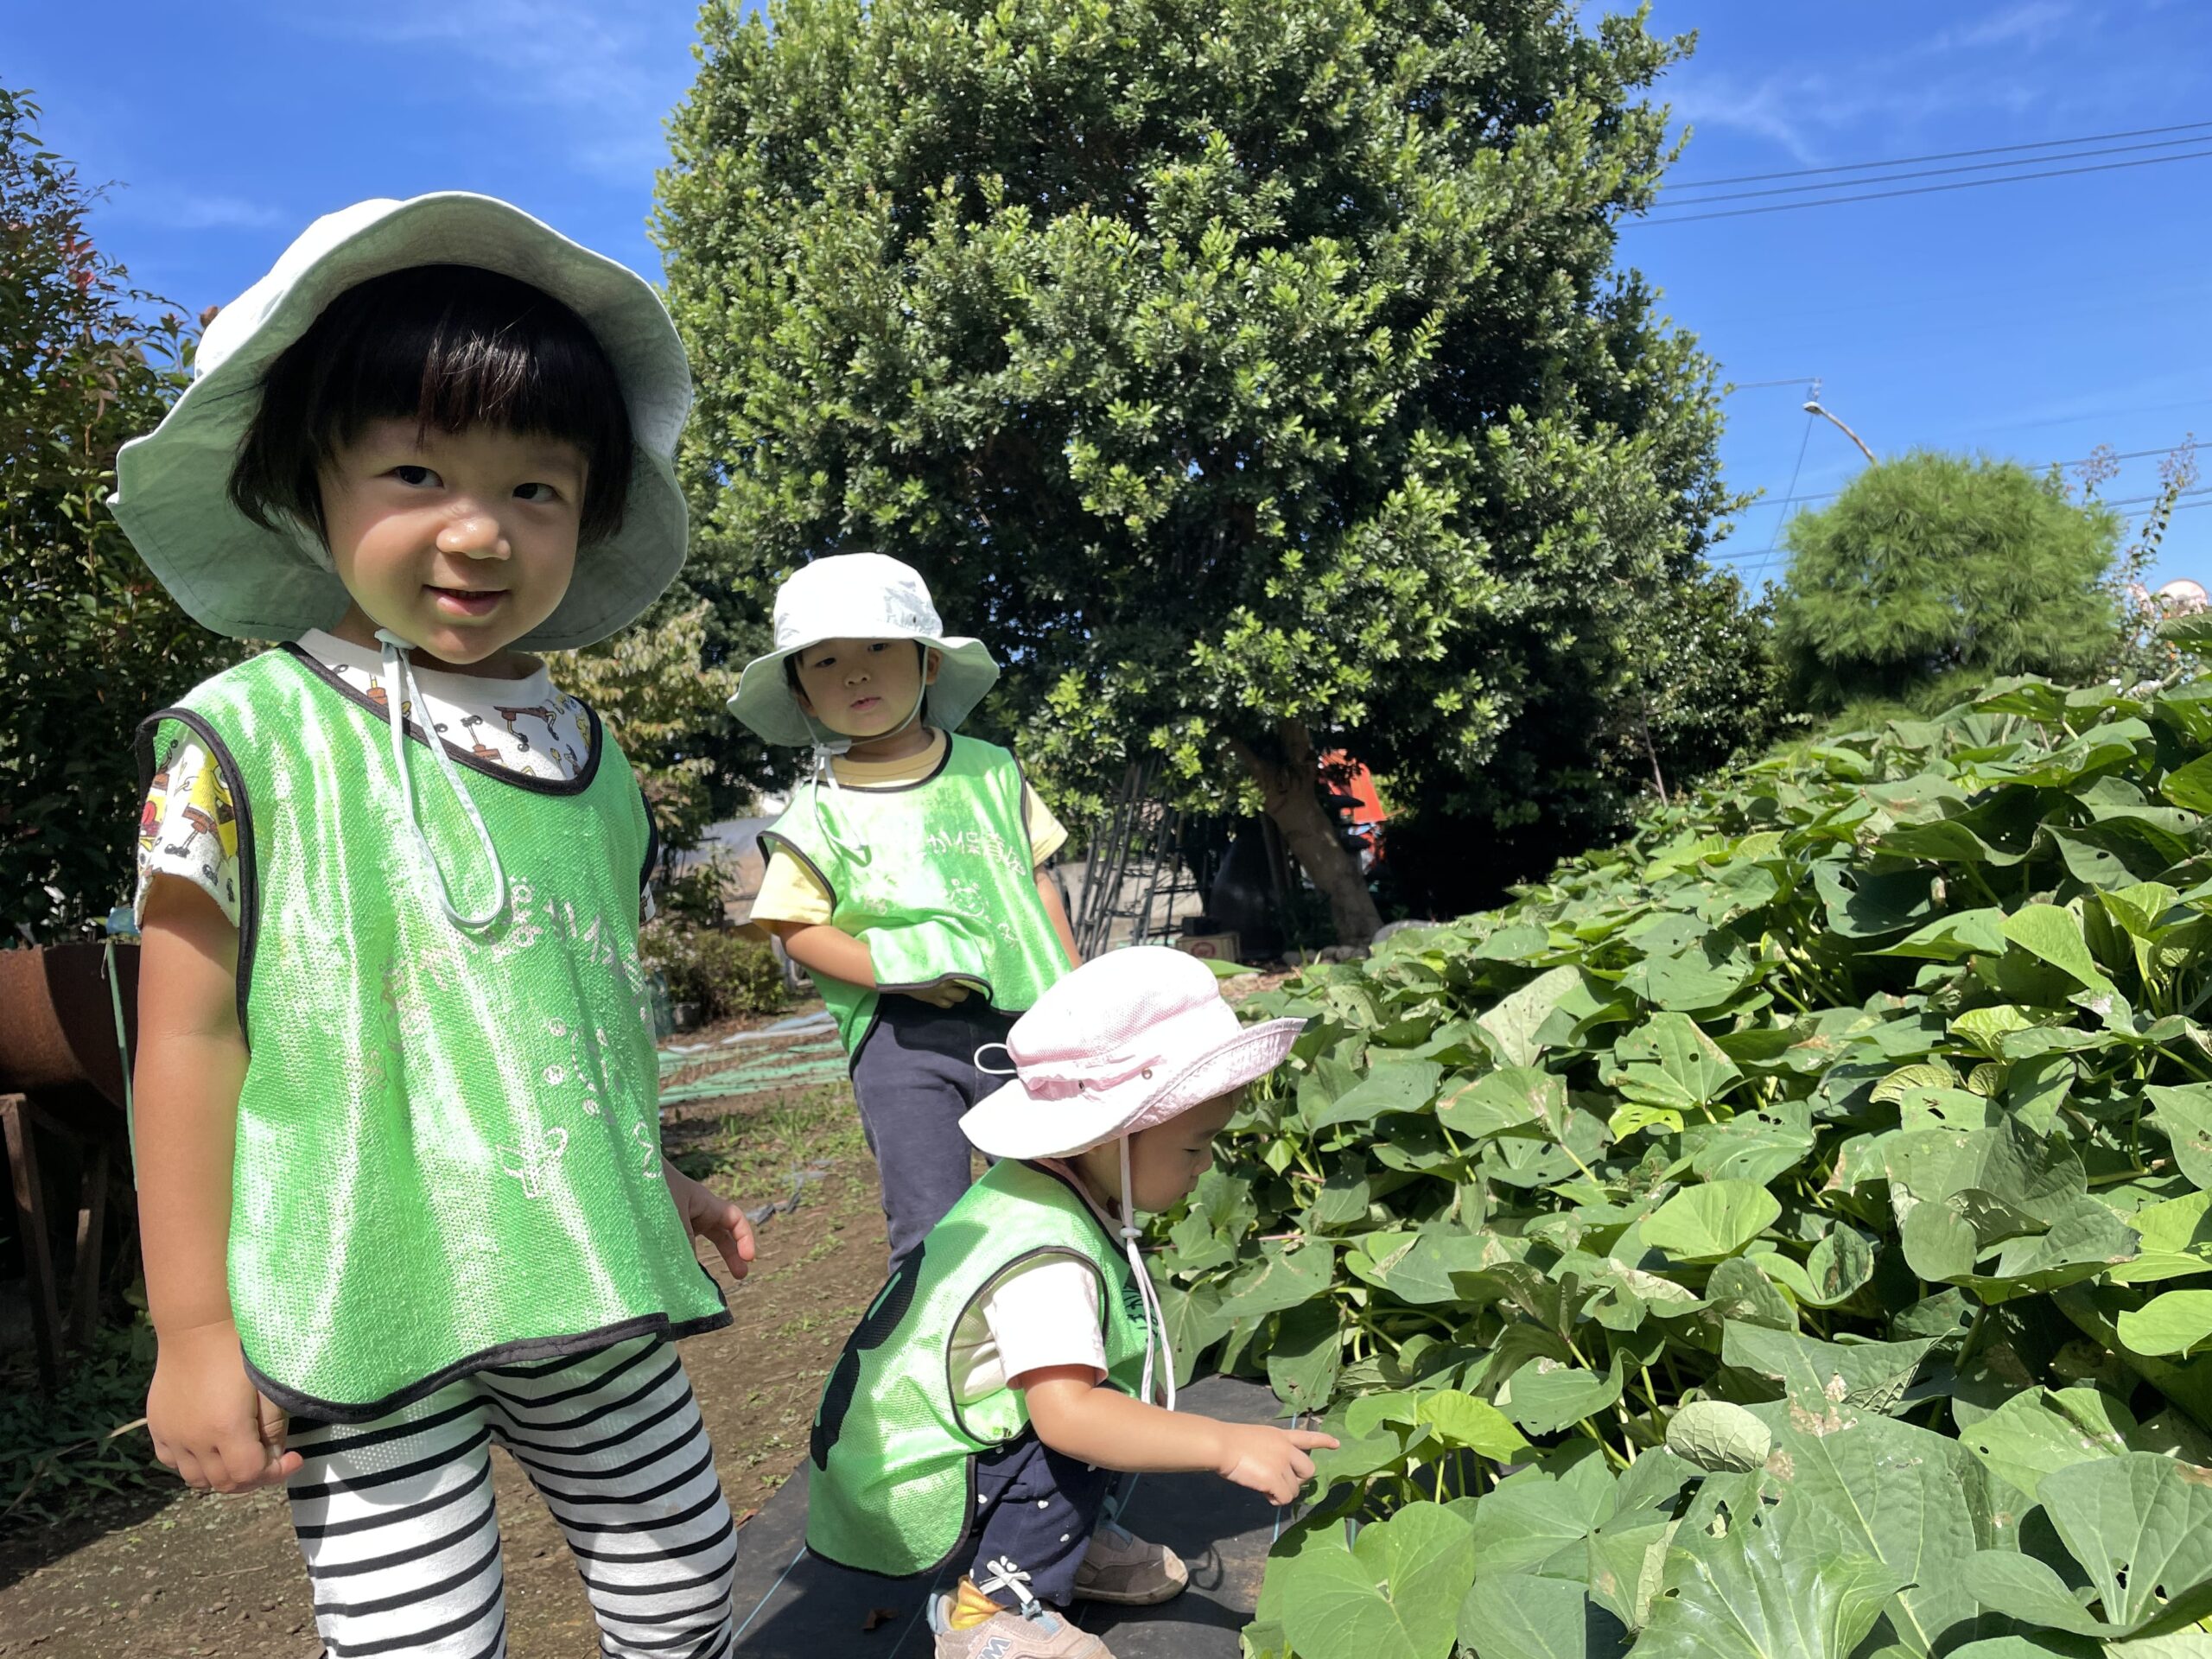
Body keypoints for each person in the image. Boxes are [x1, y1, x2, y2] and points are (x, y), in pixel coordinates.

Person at [118, 194, 757, 1659]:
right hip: (361, 1286)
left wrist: (653, 1170)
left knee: (686, 1581)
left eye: (538, 488)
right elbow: (186, 1036)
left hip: (581, 1258)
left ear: (589, 513)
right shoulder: (243, 739)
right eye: (416, 469)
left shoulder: (585, 756)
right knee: (417, 1641)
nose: (479, 530)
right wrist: (196, 1332)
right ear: (306, 484)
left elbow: (568, 1007)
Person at [804, 947, 1339, 1659]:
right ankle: (984, 1609)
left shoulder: (1047, 1187)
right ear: (1115, 1135)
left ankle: (1059, 1550)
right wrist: (1224, 1443)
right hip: (911, 1489)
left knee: (1102, 1400)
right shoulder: (1047, 1253)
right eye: (1195, 1146)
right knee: (1084, 1428)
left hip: (929, 1446)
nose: (1207, 1164)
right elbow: (1068, 1418)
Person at [730, 553, 1082, 1264]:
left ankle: (1076, 1346)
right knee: (933, 1221)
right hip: (902, 1041)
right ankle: (945, 1359)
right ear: (801, 695)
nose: (855, 673)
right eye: (824, 662)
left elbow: (1038, 881)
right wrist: (895, 972)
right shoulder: (815, 814)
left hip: (1027, 1019)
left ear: (929, 665)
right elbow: (797, 928)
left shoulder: (991, 771)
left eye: (880, 648)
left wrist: (1075, 991)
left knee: (1062, 1190)